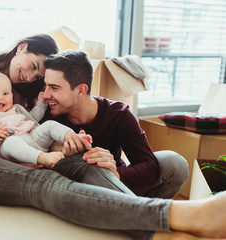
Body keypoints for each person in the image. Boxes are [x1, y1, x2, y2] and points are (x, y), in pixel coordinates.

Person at [0, 34, 226, 240]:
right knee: (44, 181)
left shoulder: (20, 98)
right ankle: (177, 217)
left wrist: (107, 163)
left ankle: (151, 226)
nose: (30, 77)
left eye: (39, 78)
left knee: (85, 163)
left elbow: (32, 130)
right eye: (33, 68)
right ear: (22, 46)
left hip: (11, 153)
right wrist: (5, 156)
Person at [41, 50, 189, 199]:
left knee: (174, 163)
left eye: (54, 88)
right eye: (45, 86)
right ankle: (138, 213)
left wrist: (115, 173)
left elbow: (149, 166)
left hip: (115, 186)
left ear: (81, 90)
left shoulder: (118, 114)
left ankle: (139, 213)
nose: (45, 95)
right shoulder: (47, 113)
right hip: (73, 193)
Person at [0, 71, 92, 168]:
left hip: (33, 137)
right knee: (11, 143)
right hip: (10, 146)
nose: (0, 98)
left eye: (5, 94)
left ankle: (72, 137)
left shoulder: (17, 108)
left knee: (49, 124)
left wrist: (41, 103)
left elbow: (33, 118)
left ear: (12, 96)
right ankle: (42, 158)